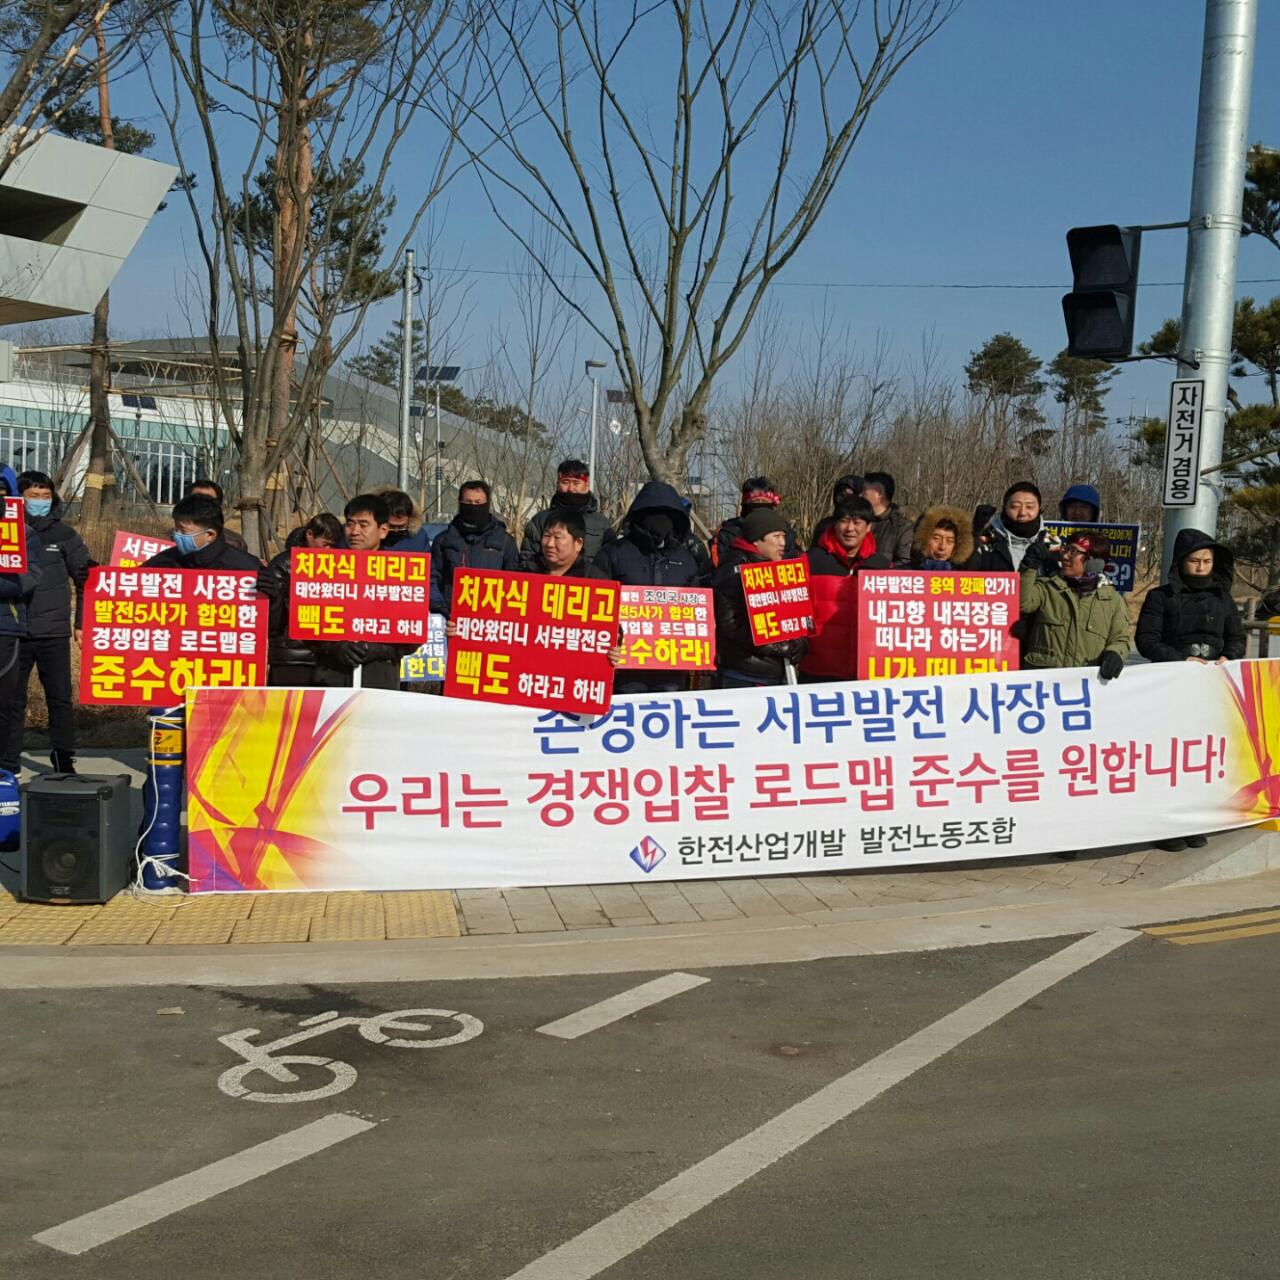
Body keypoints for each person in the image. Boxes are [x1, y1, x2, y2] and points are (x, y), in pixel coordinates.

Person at [1136, 529, 1245, 852]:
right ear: (1181, 563)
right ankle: (1166, 824)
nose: (1200, 567)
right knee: (1171, 758)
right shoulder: (1161, 597)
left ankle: (1197, 820)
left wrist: (1230, 656)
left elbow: (1236, 638)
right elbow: (1147, 640)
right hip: (1173, 685)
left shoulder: (1222, 599)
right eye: (1194, 560)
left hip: (1212, 688)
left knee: (1203, 757)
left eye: (1207, 561)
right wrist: (1181, 660)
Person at [264, 494, 417, 690]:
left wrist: (378, 649)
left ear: (383, 530)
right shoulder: (323, 568)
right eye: (350, 524)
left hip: (379, 678)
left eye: (363, 525)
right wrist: (334, 646)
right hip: (331, 677)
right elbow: (305, 624)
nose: (354, 532)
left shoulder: (401, 573)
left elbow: (411, 637)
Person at [0, 471, 92, 775]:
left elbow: (84, 579)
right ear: (19, 498)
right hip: (17, 630)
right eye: (32, 495)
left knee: (60, 698)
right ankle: (8, 762)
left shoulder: (65, 535)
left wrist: (81, 622)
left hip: (53, 631)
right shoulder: (8, 532)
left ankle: (63, 758)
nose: (39, 501)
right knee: (12, 701)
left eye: (45, 495)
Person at [595, 481, 706, 694]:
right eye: (653, 512)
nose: (660, 520)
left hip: (673, 668)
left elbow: (697, 613)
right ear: (639, 514)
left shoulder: (686, 559)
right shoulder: (612, 554)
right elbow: (596, 608)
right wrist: (608, 645)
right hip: (624, 667)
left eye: (667, 514)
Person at [712, 507, 807, 688]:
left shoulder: (782, 570)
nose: (783, 543)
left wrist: (800, 642)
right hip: (743, 674)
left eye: (783, 536)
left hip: (776, 673)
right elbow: (729, 625)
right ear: (757, 540)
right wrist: (774, 646)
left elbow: (795, 616)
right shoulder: (733, 570)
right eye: (776, 536)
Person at [800, 497, 888, 683]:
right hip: (817, 670)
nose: (850, 529)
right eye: (844, 521)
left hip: (864, 673)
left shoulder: (881, 566)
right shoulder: (811, 561)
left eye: (857, 522)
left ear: (869, 527)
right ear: (834, 524)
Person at [1019, 532, 1130, 675]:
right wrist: (1029, 566)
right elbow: (1022, 603)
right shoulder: (1048, 588)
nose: (1065, 556)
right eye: (1066, 550)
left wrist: (1115, 653)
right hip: (1044, 685)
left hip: (1086, 686)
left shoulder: (1112, 600)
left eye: (1073, 552)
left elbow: (1120, 638)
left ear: (1093, 561)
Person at [429, 480, 519, 615]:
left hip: (491, 619)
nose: (473, 507)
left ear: (487, 504)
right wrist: (441, 609)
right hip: (451, 619)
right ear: (460, 503)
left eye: (478, 503)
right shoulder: (443, 540)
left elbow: (515, 584)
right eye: (468, 502)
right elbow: (433, 579)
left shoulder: (505, 542)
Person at [0, 475, 42, 753]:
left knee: (6, 704)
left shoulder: (23, 534)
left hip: (6, 627)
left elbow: (29, 577)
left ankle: (6, 765)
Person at [520, 460, 616, 567]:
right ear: (557, 484)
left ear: (587, 485)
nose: (570, 489)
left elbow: (612, 563)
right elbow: (527, 561)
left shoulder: (602, 525)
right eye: (565, 482)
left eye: (576, 483)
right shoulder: (540, 521)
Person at [145, 494, 264, 573]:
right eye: (176, 528)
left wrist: (274, 599)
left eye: (184, 530)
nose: (176, 534)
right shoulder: (162, 562)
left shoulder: (245, 568)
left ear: (210, 535)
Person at [711, 476, 800, 568]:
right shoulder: (728, 533)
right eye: (756, 501)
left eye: (764, 501)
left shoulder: (787, 533)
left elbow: (798, 565)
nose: (760, 505)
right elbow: (718, 568)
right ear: (745, 504)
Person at [974, 481, 1054, 573]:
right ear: (1004, 508)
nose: (1022, 513)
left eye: (1029, 507)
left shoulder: (1051, 543)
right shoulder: (987, 541)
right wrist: (974, 533)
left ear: (1039, 509)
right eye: (1015, 507)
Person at [861, 471, 914, 566]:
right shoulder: (857, 521)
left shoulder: (902, 526)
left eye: (864, 490)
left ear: (879, 493)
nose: (860, 495)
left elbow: (905, 565)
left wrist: (876, 572)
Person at [186, 478, 250, 553]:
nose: (202, 505)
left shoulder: (235, 543)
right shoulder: (170, 539)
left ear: (218, 507)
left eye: (209, 501)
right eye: (197, 500)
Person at [910, 506, 975, 570]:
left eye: (949, 541)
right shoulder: (904, 575)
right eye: (936, 539)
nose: (942, 547)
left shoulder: (964, 577)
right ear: (924, 539)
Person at [810, 473, 865, 546]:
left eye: (850, 495)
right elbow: (813, 553)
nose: (845, 499)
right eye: (842, 495)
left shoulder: (868, 525)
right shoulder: (825, 525)